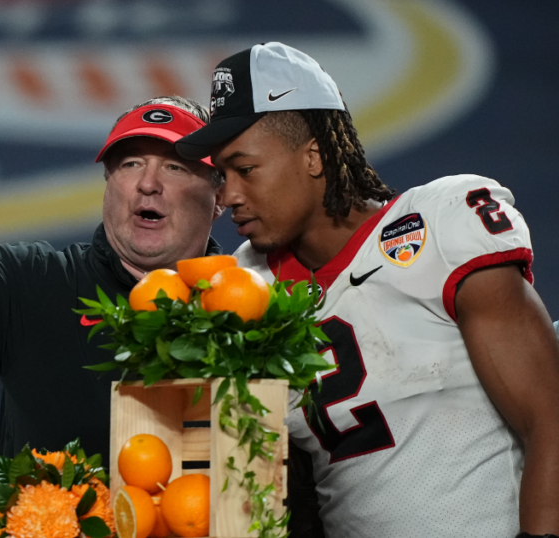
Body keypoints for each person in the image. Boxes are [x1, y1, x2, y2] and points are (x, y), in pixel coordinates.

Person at [175, 42, 559, 537]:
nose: (228, 196)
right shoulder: (242, 289)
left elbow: (550, 418)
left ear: (313, 157)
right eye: (220, 176)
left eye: (244, 169)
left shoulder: (438, 225)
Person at [0, 23, 223, 460]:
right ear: (109, 183)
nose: (147, 183)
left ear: (220, 195)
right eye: (129, 164)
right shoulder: (35, 284)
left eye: (175, 168)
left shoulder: (255, 307)